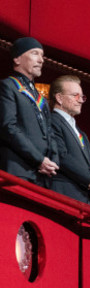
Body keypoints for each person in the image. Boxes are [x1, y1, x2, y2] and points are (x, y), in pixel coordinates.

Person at [0, 37, 59, 185]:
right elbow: (8, 127)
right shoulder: (7, 86)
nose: (41, 60)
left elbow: (49, 132)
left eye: (42, 55)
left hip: (42, 175)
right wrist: (39, 159)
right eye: (34, 53)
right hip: (18, 171)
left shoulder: (40, 97)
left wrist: (53, 162)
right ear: (17, 59)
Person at [49, 75, 90, 204]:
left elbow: (88, 166)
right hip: (63, 194)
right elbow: (61, 156)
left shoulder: (81, 133)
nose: (80, 101)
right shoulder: (52, 121)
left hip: (83, 198)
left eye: (82, 97)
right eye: (75, 96)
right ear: (59, 98)